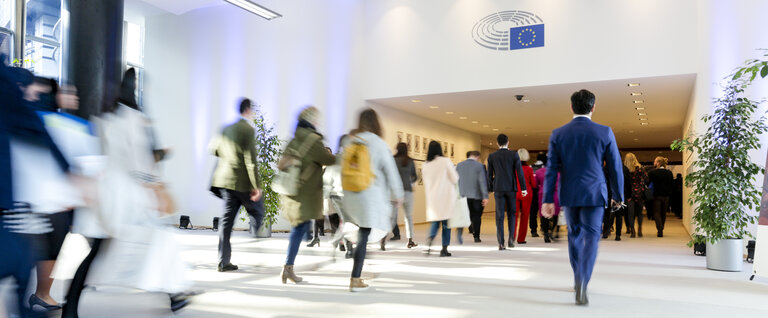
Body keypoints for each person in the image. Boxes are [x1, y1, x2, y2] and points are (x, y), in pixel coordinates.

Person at [542, 89, 623, 306]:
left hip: (569, 193)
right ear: (593, 107)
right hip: (596, 193)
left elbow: (551, 170)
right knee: (592, 238)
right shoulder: (605, 132)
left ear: (571, 107)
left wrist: (547, 199)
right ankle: (583, 281)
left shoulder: (558, 134)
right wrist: (618, 195)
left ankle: (578, 278)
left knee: (574, 235)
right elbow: (615, 167)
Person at [0, 59, 67, 318]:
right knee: (18, 262)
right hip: (17, 210)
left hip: (20, 209)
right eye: (30, 89)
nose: (34, 95)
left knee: (20, 266)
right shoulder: (18, 114)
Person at [341, 108, 404, 292]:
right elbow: (391, 171)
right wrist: (398, 193)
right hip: (370, 195)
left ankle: (357, 272)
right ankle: (355, 277)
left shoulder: (351, 141)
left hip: (351, 192)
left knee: (361, 232)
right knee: (364, 234)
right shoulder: (378, 143)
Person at [279, 106, 336, 284]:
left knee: (300, 226)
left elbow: (282, 162)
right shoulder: (313, 140)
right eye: (316, 118)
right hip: (305, 194)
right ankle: (288, 267)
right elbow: (328, 159)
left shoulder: (293, 139)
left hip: (291, 191)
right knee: (299, 228)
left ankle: (289, 266)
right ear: (311, 120)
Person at [209, 98, 264, 272]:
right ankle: (256, 230)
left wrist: (228, 153)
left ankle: (223, 262)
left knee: (226, 223)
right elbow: (251, 161)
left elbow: (213, 149)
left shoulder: (225, 128)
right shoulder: (247, 129)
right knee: (258, 208)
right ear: (248, 110)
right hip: (241, 182)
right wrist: (257, 186)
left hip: (224, 181)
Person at [487, 134, 528, 250]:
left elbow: (489, 174)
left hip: (498, 188)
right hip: (511, 188)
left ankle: (501, 242)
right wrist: (523, 188)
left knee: (499, 216)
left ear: (497, 143)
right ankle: (511, 239)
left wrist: (490, 188)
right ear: (508, 142)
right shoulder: (514, 155)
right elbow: (519, 172)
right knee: (512, 214)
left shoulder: (492, 156)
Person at [423, 141, 460, 256]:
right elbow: (455, 178)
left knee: (435, 222)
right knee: (446, 224)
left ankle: (430, 238)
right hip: (446, 197)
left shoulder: (426, 164)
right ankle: (444, 249)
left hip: (433, 198)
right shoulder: (445, 161)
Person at [325, 135, 354, 258]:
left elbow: (327, 178)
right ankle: (347, 248)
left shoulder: (335, 158)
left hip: (336, 195)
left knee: (347, 221)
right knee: (348, 221)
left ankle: (340, 243)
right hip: (343, 195)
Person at [390, 142, 419, 248]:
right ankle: (410, 240)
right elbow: (415, 177)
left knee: (392, 217)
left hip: (394, 192)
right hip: (407, 191)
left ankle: (383, 239)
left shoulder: (392, 160)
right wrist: (409, 181)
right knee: (408, 217)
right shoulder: (410, 161)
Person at [456, 151, 489, 243]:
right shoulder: (479, 166)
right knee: (477, 216)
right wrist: (485, 196)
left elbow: (456, 181)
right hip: (476, 196)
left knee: (463, 215)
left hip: (463, 195)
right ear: (477, 156)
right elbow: (482, 182)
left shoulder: (459, 165)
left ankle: (459, 234)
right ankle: (476, 237)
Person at [535, 155, 560, 243]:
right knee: (555, 214)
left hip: (543, 194)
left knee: (544, 215)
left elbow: (535, 184)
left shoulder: (538, 172)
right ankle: (551, 231)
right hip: (555, 194)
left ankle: (546, 234)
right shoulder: (557, 172)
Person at [648, 156, 674, 237]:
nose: (654, 163)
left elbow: (648, 183)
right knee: (663, 212)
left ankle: (660, 229)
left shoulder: (652, 172)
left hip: (656, 195)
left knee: (656, 212)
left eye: (655, 161)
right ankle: (661, 227)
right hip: (666, 196)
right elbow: (672, 184)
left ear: (658, 163)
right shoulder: (669, 173)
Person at [515, 148, 537, 244]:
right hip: (526, 193)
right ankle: (521, 239)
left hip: (515, 193)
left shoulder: (513, 168)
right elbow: (533, 184)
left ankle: (512, 237)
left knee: (513, 216)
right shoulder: (529, 169)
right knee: (525, 216)